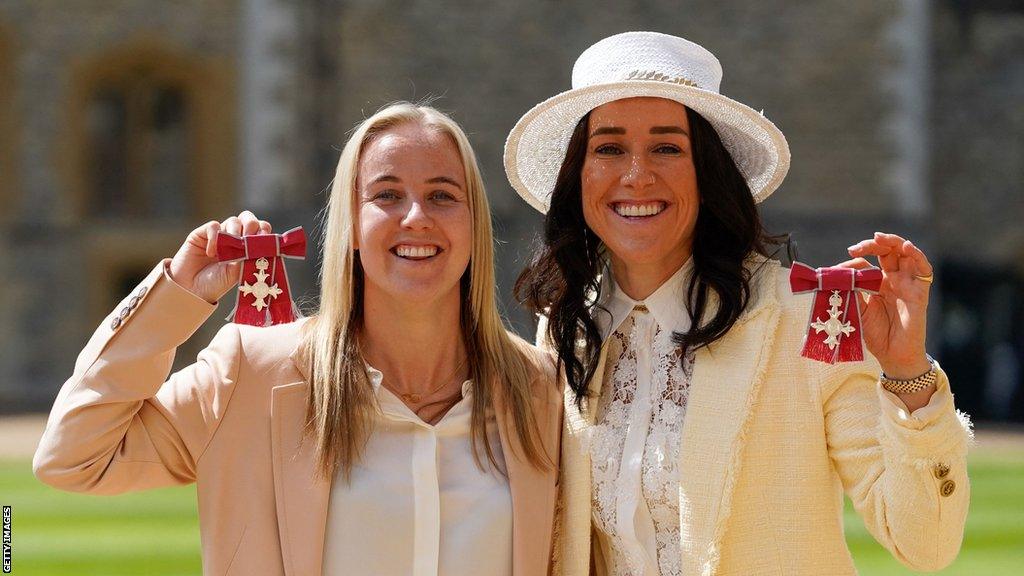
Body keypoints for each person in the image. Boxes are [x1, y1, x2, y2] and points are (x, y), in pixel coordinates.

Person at [509, 32, 971, 576]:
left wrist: (906, 374)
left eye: (667, 147)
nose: (636, 174)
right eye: (608, 147)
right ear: (578, 176)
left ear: (709, 173)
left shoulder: (812, 312)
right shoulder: (566, 327)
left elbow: (925, 544)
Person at [34, 102, 561, 576]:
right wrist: (175, 297)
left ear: (474, 224)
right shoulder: (253, 374)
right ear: (351, 225)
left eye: (442, 195)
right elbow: (74, 458)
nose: (416, 217)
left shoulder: (540, 390)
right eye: (387, 195)